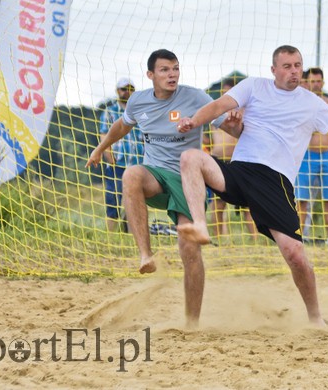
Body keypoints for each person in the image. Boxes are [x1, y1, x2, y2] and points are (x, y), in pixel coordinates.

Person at [176, 45, 328, 325]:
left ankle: (315, 317)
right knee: (190, 157)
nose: (294, 71)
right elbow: (218, 106)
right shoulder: (254, 86)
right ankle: (200, 224)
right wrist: (192, 121)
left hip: (275, 182)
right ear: (274, 70)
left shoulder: (313, 103)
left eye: (298, 65)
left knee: (295, 255)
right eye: (287, 66)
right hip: (240, 170)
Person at [86, 49, 233, 327]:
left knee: (189, 250)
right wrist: (100, 148)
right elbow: (122, 126)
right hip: (155, 175)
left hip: (187, 180)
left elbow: (226, 123)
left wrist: (237, 126)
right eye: (165, 70)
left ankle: (192, 322)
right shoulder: (139, 101)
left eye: (175, 68)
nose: (172, 74)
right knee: (131, 174)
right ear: (150, 75)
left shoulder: (196, 97)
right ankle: (145, 255)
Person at [295, 67, 328, 246]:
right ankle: (299, 237)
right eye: (312, 81)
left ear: (323, 82)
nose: (316, 84)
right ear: (307, 82)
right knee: (302, 199)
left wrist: (315, 125)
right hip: (307, 155)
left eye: (318, 81)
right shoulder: (301, 102)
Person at [207, 78, 256, 241]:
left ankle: (255, 240)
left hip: (242, 162)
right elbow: (207, 138)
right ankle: (220, 239)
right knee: (218, 204)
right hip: (219, 161)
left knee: (248, 206)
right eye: (226, 93)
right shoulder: (215, 113)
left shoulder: (246, 113)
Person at [98, 77, 144, 232]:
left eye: (131, 88)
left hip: (137, 163)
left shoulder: (140, 112)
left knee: (136, 198)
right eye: (124, 89)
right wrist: (109, 157)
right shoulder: (110, 112)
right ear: (118, 91)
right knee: (113, 197)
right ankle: (111, 235)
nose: (128, 92)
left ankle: (131, 232)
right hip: (118, 162)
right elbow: (104, 135)